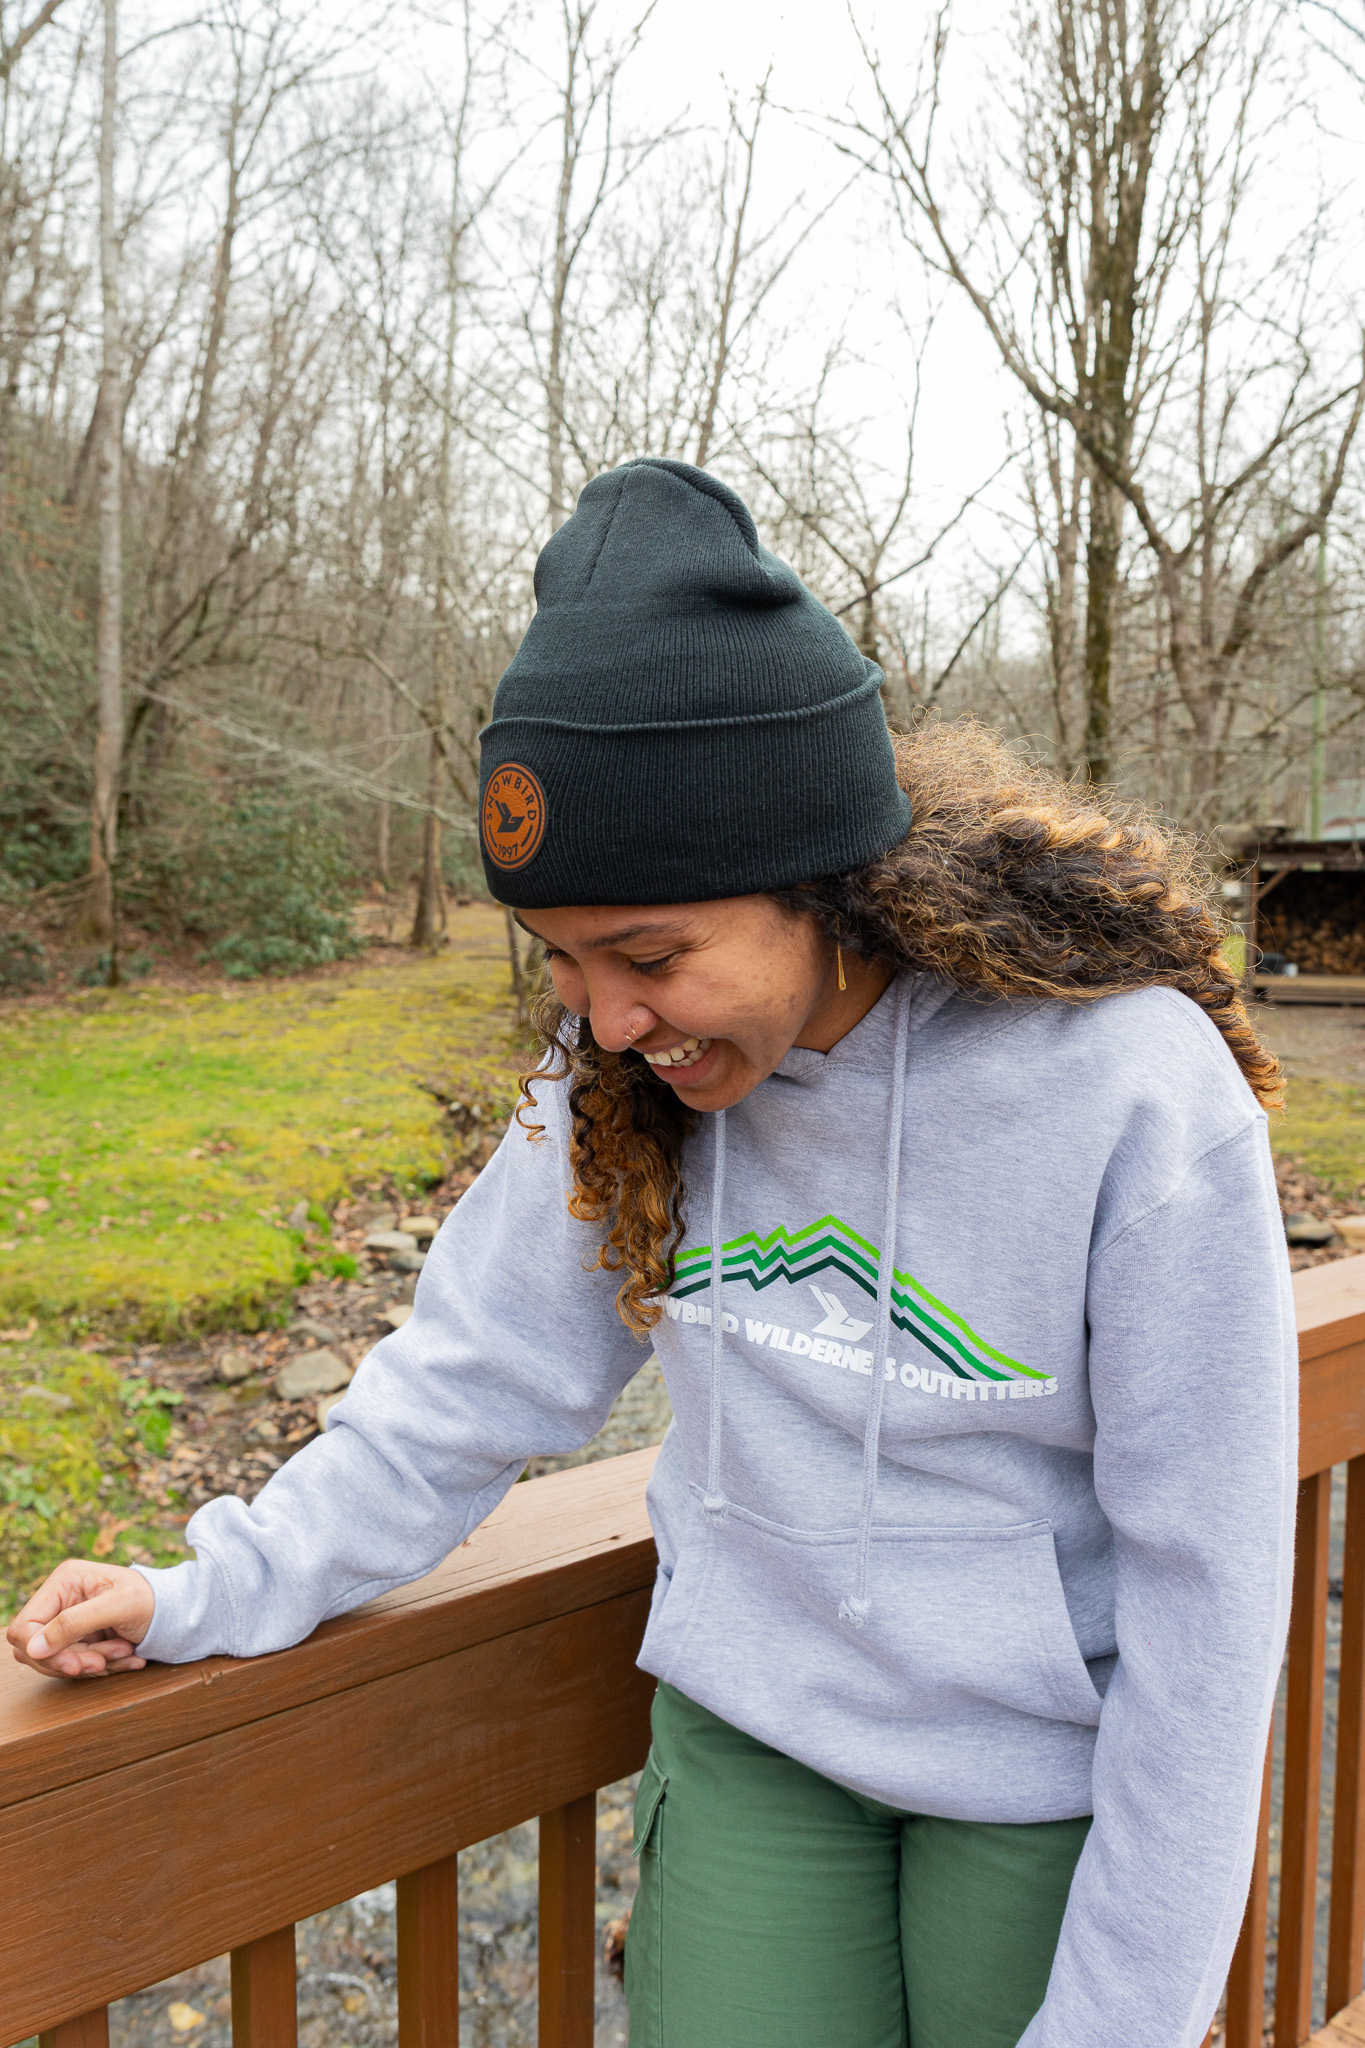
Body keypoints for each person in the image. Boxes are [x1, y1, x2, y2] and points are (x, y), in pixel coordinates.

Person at [8, 459, 1295, 2048]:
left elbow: (1204, 1588)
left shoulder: (1124, 1090)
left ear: (828, 883)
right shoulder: (619, 1083)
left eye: (651, 955)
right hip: (758, 1744)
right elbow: (462, 1387)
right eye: (560, 960)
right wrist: (213, 1587)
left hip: (1046, 1778)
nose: (607, 1022)